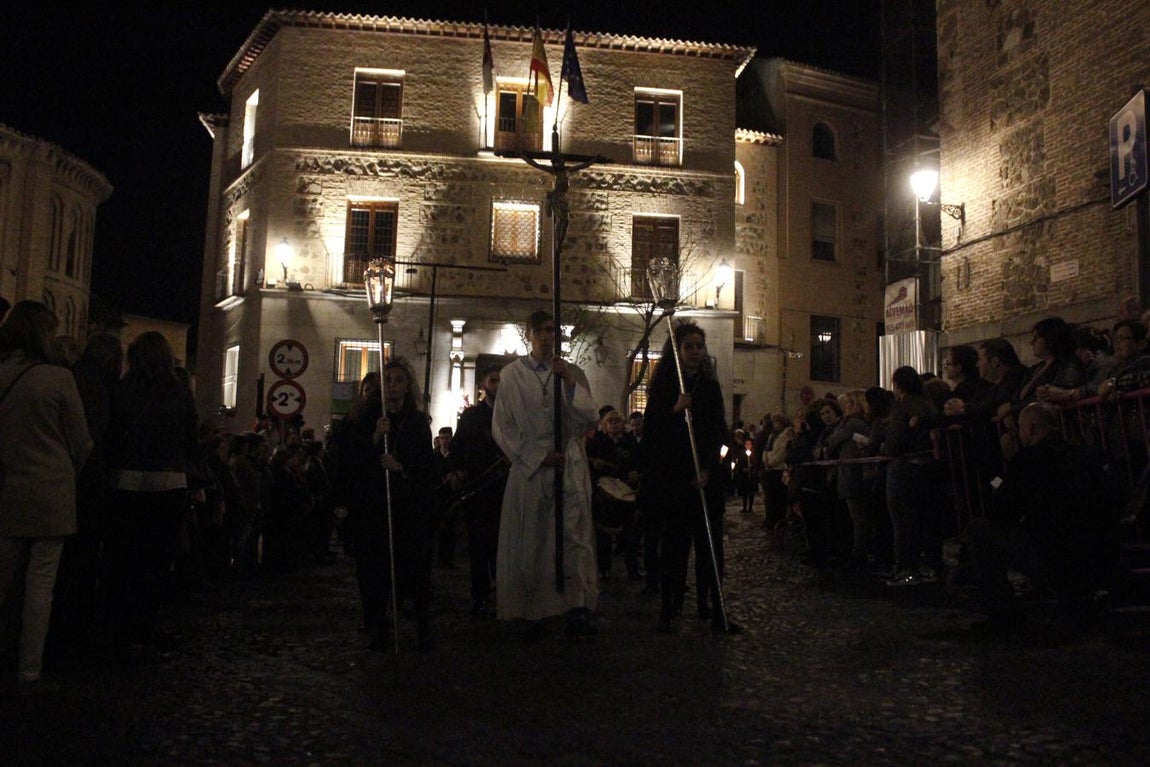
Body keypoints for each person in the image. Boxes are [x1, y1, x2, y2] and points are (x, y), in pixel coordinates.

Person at [0, 302, 92, 694]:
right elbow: (81, 441)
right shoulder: (58, 379)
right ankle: (29, 669)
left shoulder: (3, 375)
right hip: (53, 489)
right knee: (41, 586)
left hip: (9, 486)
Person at [966, 403, 1119, 634]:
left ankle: (1002, 611)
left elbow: (1001, 512)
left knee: (978, 530)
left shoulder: (1028, 460)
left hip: (1054, 556)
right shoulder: (1088, 454)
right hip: (1099, 553)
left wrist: (998, 479)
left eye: (1020, 428)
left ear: (1030, 428)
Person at [492, 311, 599, 639]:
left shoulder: (571, 372)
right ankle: (534, 608)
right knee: (534, 538)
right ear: (529, 334)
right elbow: (503, 426)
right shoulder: (512, 375)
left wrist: (569, 383)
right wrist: (537, 456)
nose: (547, 336)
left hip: (568, 464)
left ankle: (575, 604)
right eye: (540, 330)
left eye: (552, 330)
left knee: (573, 536)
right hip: (533, 470)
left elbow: (588, 418)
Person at [102, 331, 199, 662]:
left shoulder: (122, 391)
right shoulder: (178, 393)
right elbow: (191, 440)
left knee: (123, 559)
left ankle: (119, 628)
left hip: (124, 482)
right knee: (155, 562)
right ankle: (144, 628)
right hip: (167, 484)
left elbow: (110, 434)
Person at [643, 321, 742, 634]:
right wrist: (675, 408)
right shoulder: (664, 385)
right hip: (675, 481)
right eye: (689, 346)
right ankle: (669, 607)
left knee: (710, 547)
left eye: (699, 346)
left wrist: (709, 468)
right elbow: (653, 431)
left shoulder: (709, 387)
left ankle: (712, 607)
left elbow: (717, 431)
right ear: (677, 350)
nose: (696, 352)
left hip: (705, 479)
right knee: (675, 547)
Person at [447, 366, 508, 620]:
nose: (498, 384)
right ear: (483, 385)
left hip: (506, 491)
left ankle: (504, 596)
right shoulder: (472, 416)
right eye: (493, 380)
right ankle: (480, 596)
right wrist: (457, 470)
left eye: (501, 380)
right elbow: (457, 447)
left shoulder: (512, 413)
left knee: (503, 547)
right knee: (479, 547)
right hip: (479, 492)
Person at [884, 366, 943, 587]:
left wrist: (888, 448)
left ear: (898, 385)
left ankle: (906, 569)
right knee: (926, 520)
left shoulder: (903, 406)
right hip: (928, 469)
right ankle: (930, 566)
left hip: (905, 469)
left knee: (903, 522)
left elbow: (895, 442)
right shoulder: (928, 405)